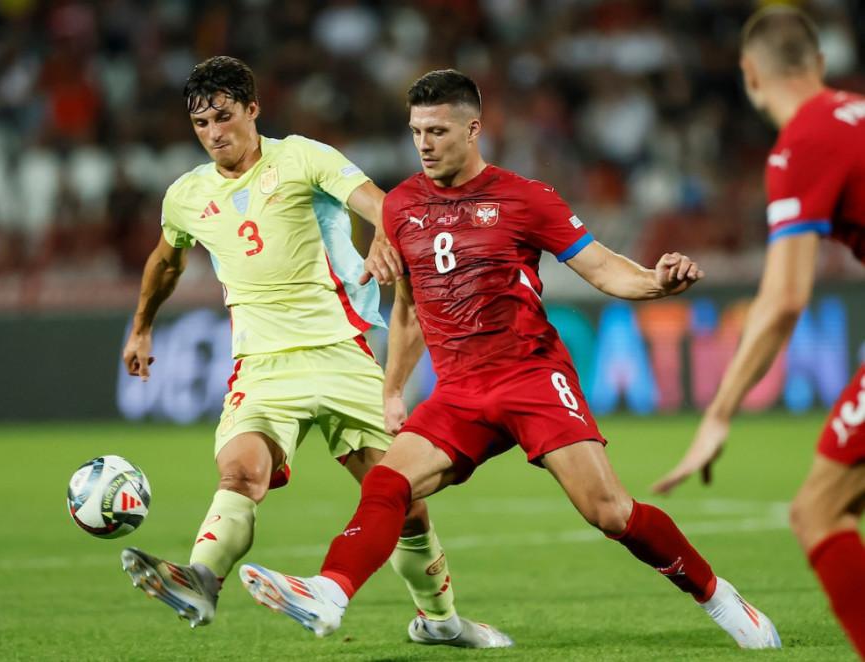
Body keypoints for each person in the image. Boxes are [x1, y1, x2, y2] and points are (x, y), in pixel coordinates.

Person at [236, 68, 781, 649]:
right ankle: (330, 592)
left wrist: (657, 282)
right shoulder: (399, 207)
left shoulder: (526, 198)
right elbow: (409, 309)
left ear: (474, 130)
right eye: (416, 131)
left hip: (531, 378)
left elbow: (602, 269)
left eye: (438, 131)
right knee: (388, 482)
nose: (424, 144)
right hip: (458, 392)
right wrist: (393, 390)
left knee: (609, 512)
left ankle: (718, 596)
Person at [119, 56, 512, 649]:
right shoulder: (186, 196)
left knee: (401, 498)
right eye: (201, 124)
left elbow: (381, 204)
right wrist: (142, 326)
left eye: (224, 117)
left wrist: (383, 235)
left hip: (341, 354)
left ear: (253, 109)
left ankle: (442, 621)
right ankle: (201, 578)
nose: (214, 133)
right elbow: (165, 261)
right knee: (241, 472)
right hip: (262, 366)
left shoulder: (303, 157)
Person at [651, 6, 865, 658]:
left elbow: (783, 299)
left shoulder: (802, 143)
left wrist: (718, 413)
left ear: (748, 74)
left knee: (818, 512)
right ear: (820, 64)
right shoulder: (857, 113)